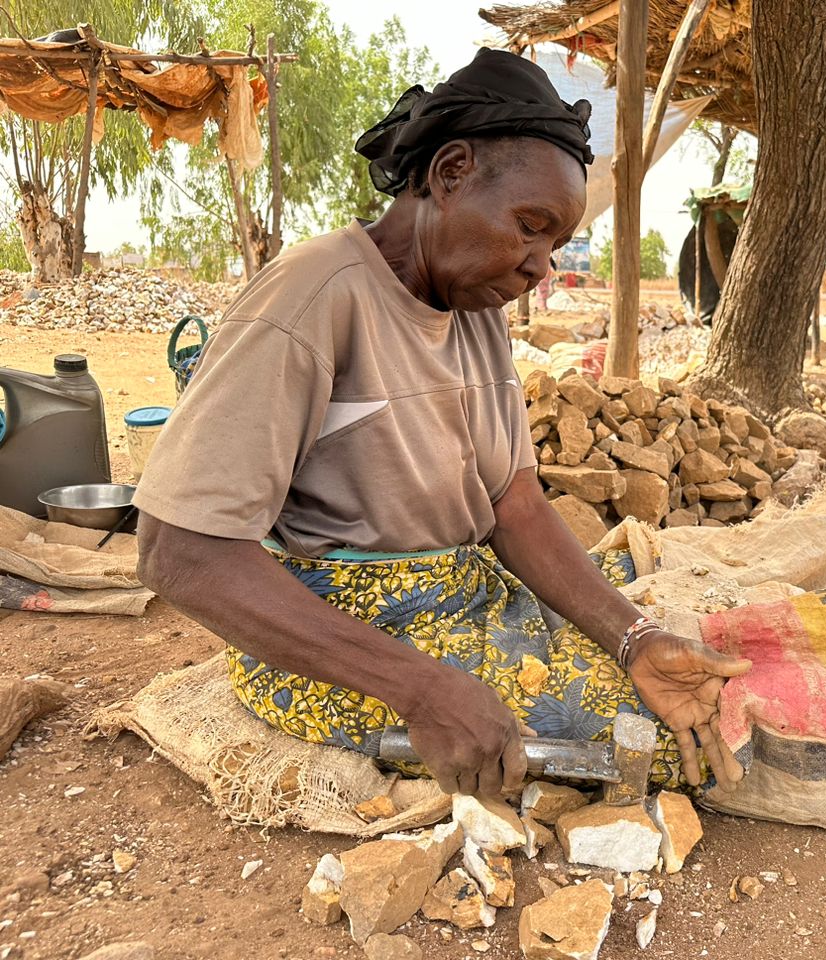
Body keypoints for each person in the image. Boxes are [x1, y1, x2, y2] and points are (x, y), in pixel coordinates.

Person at [134, 49, 750, 800]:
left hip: (464, 592)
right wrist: (419, 689)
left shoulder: (474, 310)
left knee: (688, 656)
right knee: (668, 737)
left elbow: (514, 504)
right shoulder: (315, 293)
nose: (541, 267)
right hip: (349, 628)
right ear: (451, 171)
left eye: (554, 245)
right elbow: (180, 553)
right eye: (531, 226)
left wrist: (632, 637)